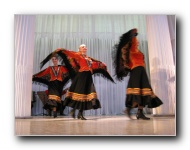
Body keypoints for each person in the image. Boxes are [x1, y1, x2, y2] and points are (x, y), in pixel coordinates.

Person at [40, 44, 115, 120]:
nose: (85, 48)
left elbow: (93, 65)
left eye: (85, 47)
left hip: (88, 77)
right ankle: (79, 113)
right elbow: (69, 53)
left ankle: (77, 112)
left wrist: (101, 64)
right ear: (79, 49)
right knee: (81, 94)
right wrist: (62, 50)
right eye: (83, 47)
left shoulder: (88, 58)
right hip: (82, 76)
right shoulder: (78, 55)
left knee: (87, 95)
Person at [112, 28, 163, 120]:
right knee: (136, 91)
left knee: (144, 92)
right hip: (135, 71)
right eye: (136, 41)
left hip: (142, 71)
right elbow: (123, 48)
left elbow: (143, 63)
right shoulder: (130, 50)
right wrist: (133, 34)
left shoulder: (139, 52)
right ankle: (128, 109)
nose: (138, 42)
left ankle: (140, 112)